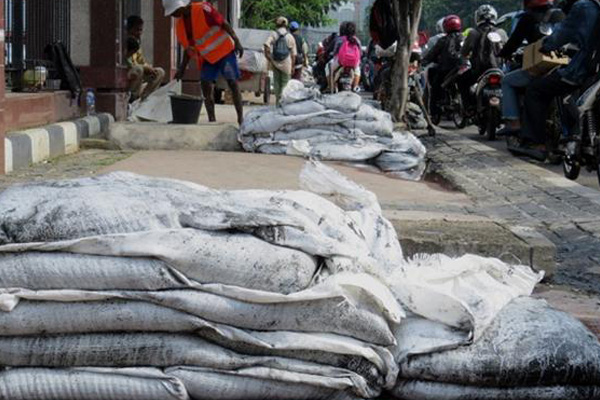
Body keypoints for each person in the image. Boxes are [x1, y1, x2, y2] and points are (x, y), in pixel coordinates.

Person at [519, 0, 600, 158]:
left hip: (584, 69)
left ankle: (537, 144)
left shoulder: (584, 6)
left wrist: (546, 46)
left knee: (536, 90)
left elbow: (563, 33)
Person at [163, 0, 245, 125]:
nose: (172, 15)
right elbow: (189, 49)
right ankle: (212, 120)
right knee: (206, 85)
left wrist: (236, 41)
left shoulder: (203, 8)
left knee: (233, 82)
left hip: (224, 51)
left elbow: (223, 23)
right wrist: (182, 69)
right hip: (208, 58)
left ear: (180, 7)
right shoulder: (180, 26)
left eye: (173, 12)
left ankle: (241, 118)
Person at [497, 0, 565, 137]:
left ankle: (514, 122)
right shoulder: (560, 14)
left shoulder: (528, 17)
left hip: (541, 64)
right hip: (563, 62)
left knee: (507, 81)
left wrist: (503, 54)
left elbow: (514, 41)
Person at [460, 5, 508, 114]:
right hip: (499, 70)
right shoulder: (501, 32)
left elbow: (464, 52)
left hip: (478, 72)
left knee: (462, 80)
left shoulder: (473, 33)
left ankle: (468, 108)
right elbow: (508, 50)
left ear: (478, 18)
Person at [422, 15, 464, 119]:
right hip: (463, 68)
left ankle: (434, 112)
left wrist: (423, 61)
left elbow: (431, 54)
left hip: (446, 69)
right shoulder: (464, 37)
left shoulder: (442, 40)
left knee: (435, 87)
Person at [126, 15, 165, 102]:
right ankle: (132, 98)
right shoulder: (125, 42)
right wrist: (143, 67)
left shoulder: (137, 43)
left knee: (159, 72)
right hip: (128, 74)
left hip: (139, 73)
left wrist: (149, 68)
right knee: (139, 69)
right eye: (137, 30)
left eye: (141, 30)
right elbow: (126, 63)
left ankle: (145, 99)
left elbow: (141, 61)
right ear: (129, 29)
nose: (139, 32)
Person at [263, 17, 297, 105]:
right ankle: (283, 103)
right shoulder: (290, 37)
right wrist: (293, 66)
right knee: (285, 84)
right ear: (286, 25)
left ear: (277, 24)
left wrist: (268, 55)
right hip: (286, 63)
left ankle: (278, 102)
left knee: (277, 84)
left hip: (275, 62)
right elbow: (294, 54)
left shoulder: (274, 34)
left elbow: (266, 44)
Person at [329, 21, 362, 92]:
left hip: (341, 62)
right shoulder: (357, 40)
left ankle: (332, 88)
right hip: (353, 63)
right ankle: (355, 87)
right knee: (358, 72)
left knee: (332, 71)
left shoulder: (340, 39)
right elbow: (360, 53)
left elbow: (335, 52)